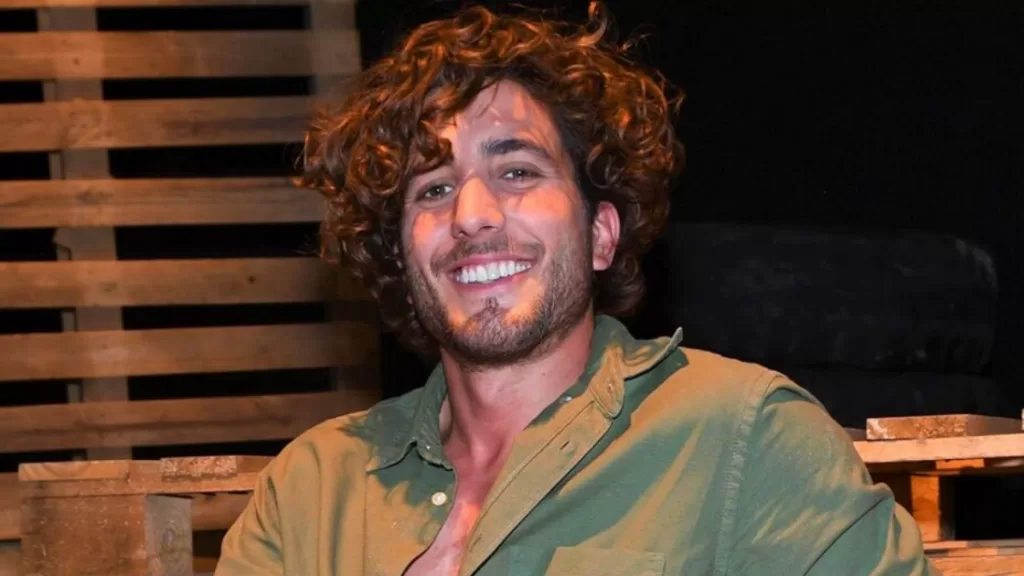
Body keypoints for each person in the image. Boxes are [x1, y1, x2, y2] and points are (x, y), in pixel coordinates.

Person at [216, 3, 938, 575]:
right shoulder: (311, 490)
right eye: (432, 188)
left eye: (517, 172)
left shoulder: (746, 439)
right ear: (403, 257)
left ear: (600, 234)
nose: (471, 214)